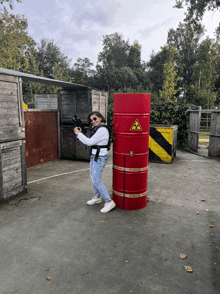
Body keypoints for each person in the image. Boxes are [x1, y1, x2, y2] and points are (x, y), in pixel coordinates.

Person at [74, 111, 116, 213]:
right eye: (91, 120)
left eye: (95, 119)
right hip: (95, 156)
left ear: (100, 118)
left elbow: (90, 142)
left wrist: (79, 134)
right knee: (94, 178)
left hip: (99, 157)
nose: (93, 121)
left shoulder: (102, 129)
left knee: (96, 180)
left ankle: (109, 201)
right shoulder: (98, 128)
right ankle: (97, 197)